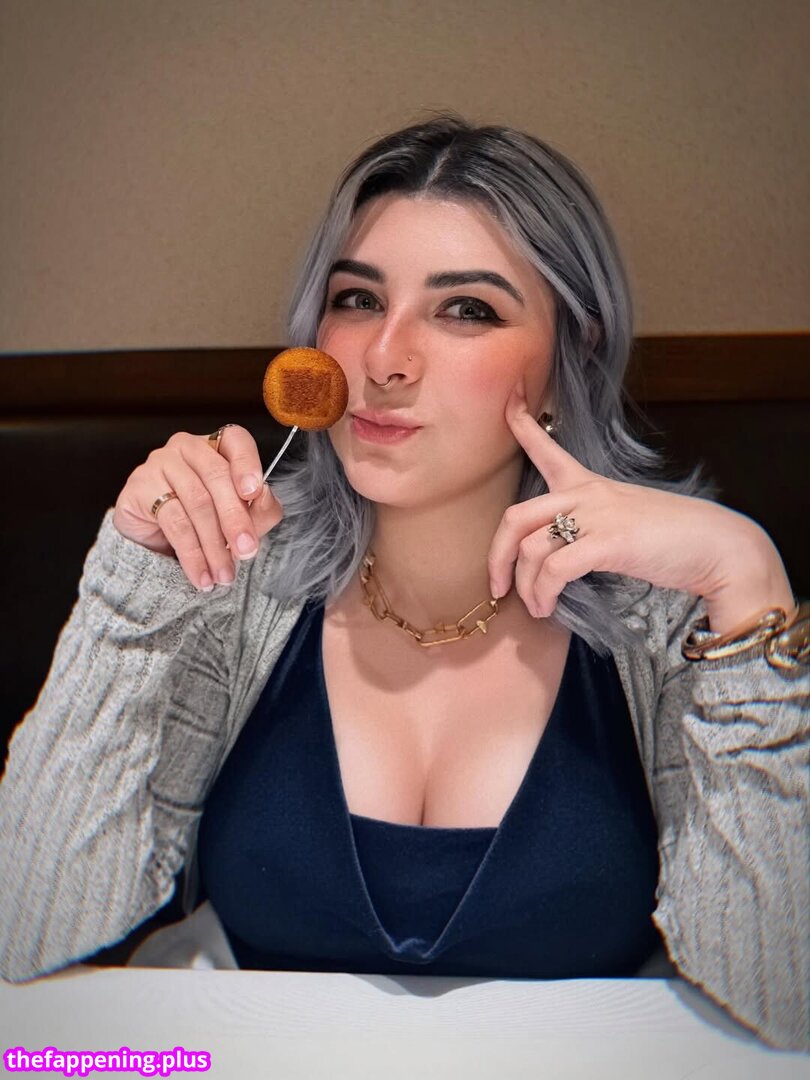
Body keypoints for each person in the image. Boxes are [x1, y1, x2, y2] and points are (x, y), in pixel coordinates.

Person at [0, 114, 807, 1051]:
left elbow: (784, 995)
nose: (384, 358)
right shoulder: (233, 583)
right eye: (357, 299)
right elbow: (29, 927)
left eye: (466, 309)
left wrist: (748, 576)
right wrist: (132, 583)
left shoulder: (670, 620)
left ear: (571, 358)